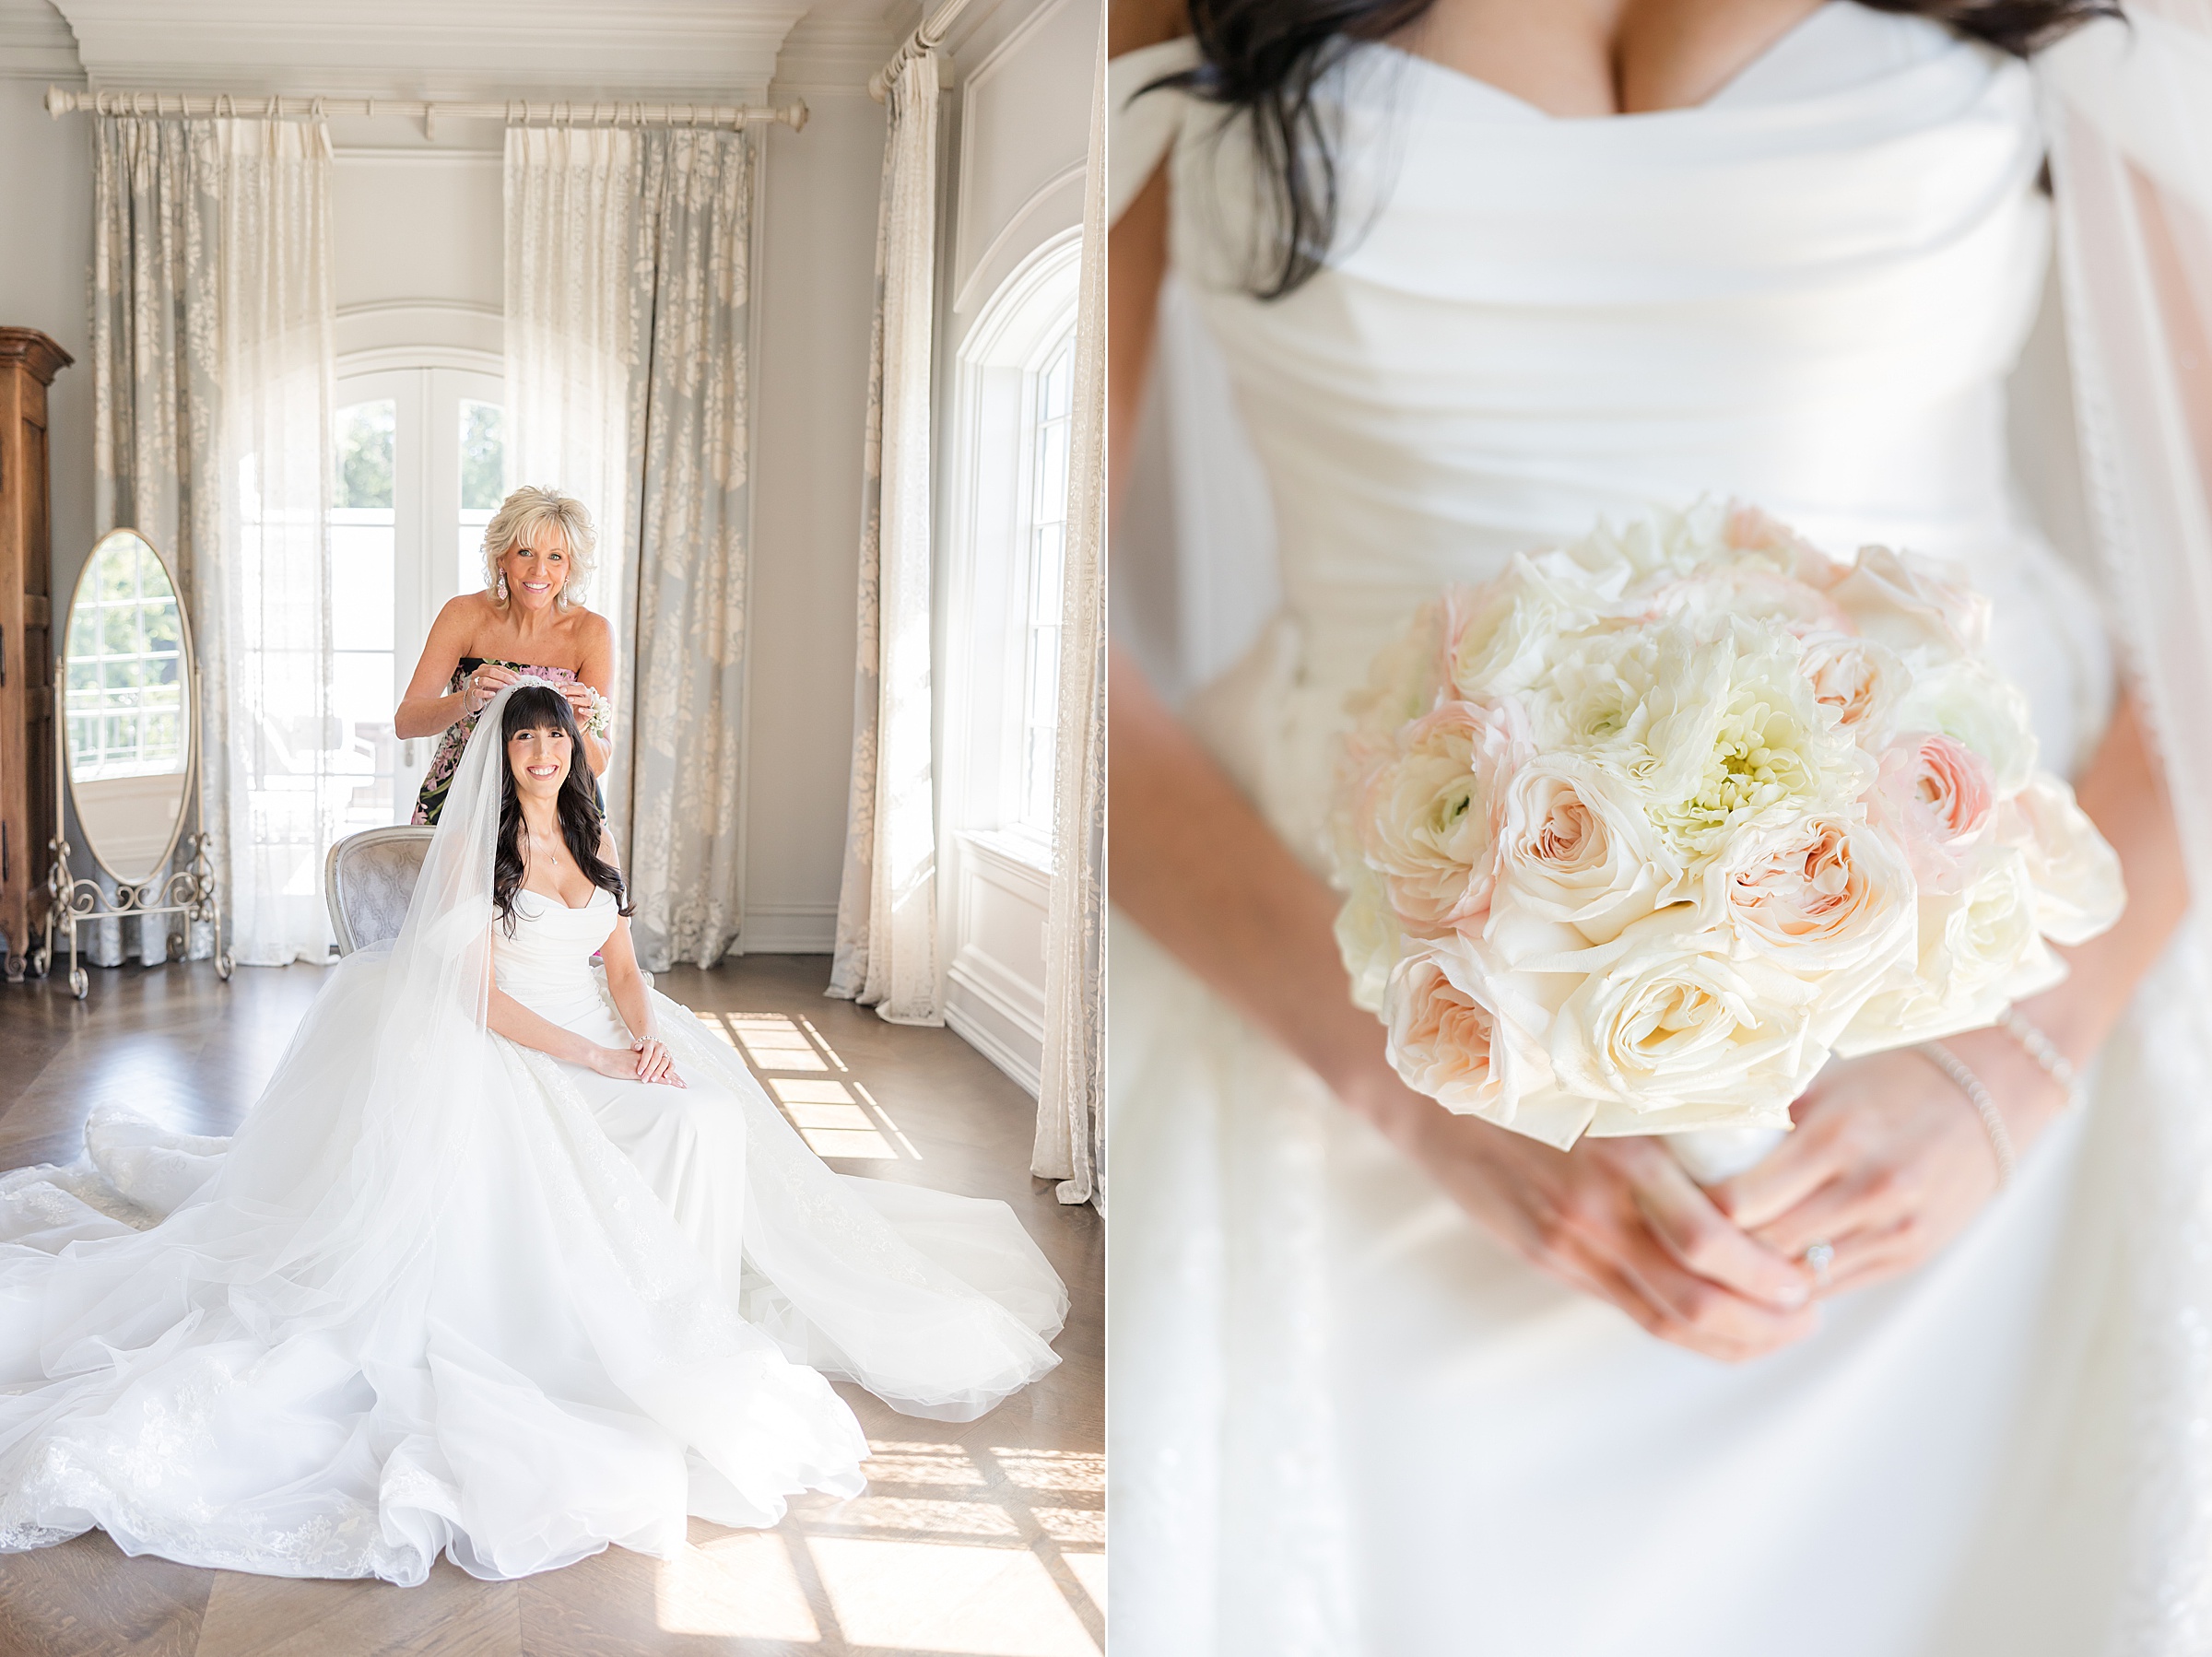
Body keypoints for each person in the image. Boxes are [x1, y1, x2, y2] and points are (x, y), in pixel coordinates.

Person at [1107, 1, 2204, 1652]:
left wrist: (2024, 1053)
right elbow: (1015, 624)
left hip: (2000, 1031)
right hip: (1352, 1023)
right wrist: (1407, 1080)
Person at [0, 679, 1065, 1582]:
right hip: (524, 1050)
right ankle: (634, 1312)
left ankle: (684, 1296)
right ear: (503, 754)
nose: (544, 749)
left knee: (708, 1115)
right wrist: (597, 1058)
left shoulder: (590, 834)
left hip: (606, 1033)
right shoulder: (486, 849)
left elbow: (624, 966)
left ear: (572, 747)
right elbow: (479, 999)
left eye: (556, 734)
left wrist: (645, 1039)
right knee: (678, 1126)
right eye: (525, 735)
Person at [397, 485, 615, 826]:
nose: (539, 571)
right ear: (502, 557)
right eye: (526, 552)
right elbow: (406, 722)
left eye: (555, 557)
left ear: (569, 567)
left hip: (554, 814)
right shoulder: (462, 615)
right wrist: (466, 700)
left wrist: (580, 728)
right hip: (462, 803)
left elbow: (598, 763)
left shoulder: (592, 632)